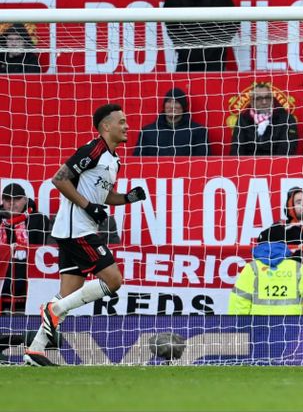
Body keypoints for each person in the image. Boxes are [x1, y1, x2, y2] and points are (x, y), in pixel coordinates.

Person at [23, 104, 147, 366]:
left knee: (69, 292)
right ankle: (52, 310)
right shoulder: (94, 149)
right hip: (76, 229)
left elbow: (104, 195)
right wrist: (87, 206)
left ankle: (34, 350)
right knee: (113, 280)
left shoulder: (114, 160)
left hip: (74, 230)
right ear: (106, 127)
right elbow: (59, 179)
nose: (126, 126)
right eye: (121, 122)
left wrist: (127, 198)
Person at [257, 188, 303, 288]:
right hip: (291, 286)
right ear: (291, 207)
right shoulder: (281, 228)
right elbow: (261, 242)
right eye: (298, 202)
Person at [0, 184, 52, 313]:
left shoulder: (38, 219)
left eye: (16, 199)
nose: (11, 203)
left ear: (25, 199)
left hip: (27, 272)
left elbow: (40, 250)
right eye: (7, 199)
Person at [228, 241, 303, 315]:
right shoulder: (297, 266)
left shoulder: (252, 267)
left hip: (258, 323)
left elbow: (239, 299)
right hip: (292, 323)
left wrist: (238, 325)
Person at [133, 88, 210, 157]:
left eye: (176, 102)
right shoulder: (148, 132)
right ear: (164, 105)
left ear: (183, 106)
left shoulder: (197, 132)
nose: (172, 106)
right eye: (169, 101)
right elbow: (138, 160)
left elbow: (202, 163)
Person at [230, 83, 299, 156]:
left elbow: (287, 149)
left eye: (267, 98)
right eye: (259, 98)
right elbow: (236, 150)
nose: (264, 102)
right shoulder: (243, 120)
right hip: (248, 164)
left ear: (272, 99)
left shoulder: (287, 119)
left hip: (278, 164)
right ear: (252, 102)